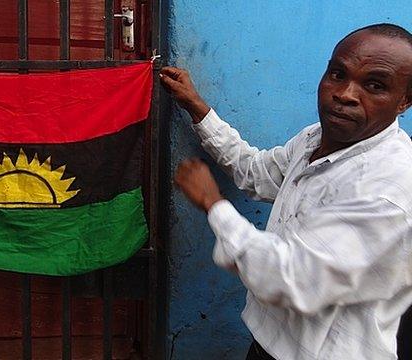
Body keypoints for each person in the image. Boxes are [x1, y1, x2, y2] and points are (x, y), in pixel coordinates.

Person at [160, 23, 412, 360]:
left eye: (375, 85)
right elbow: (256, 171)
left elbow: (293, 277)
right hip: (271, 344)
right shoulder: (316, 139)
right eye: (337, 74)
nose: (345, 94)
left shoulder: (388, 192)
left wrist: (213, 204)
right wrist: (198, 109)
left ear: (404, 102)